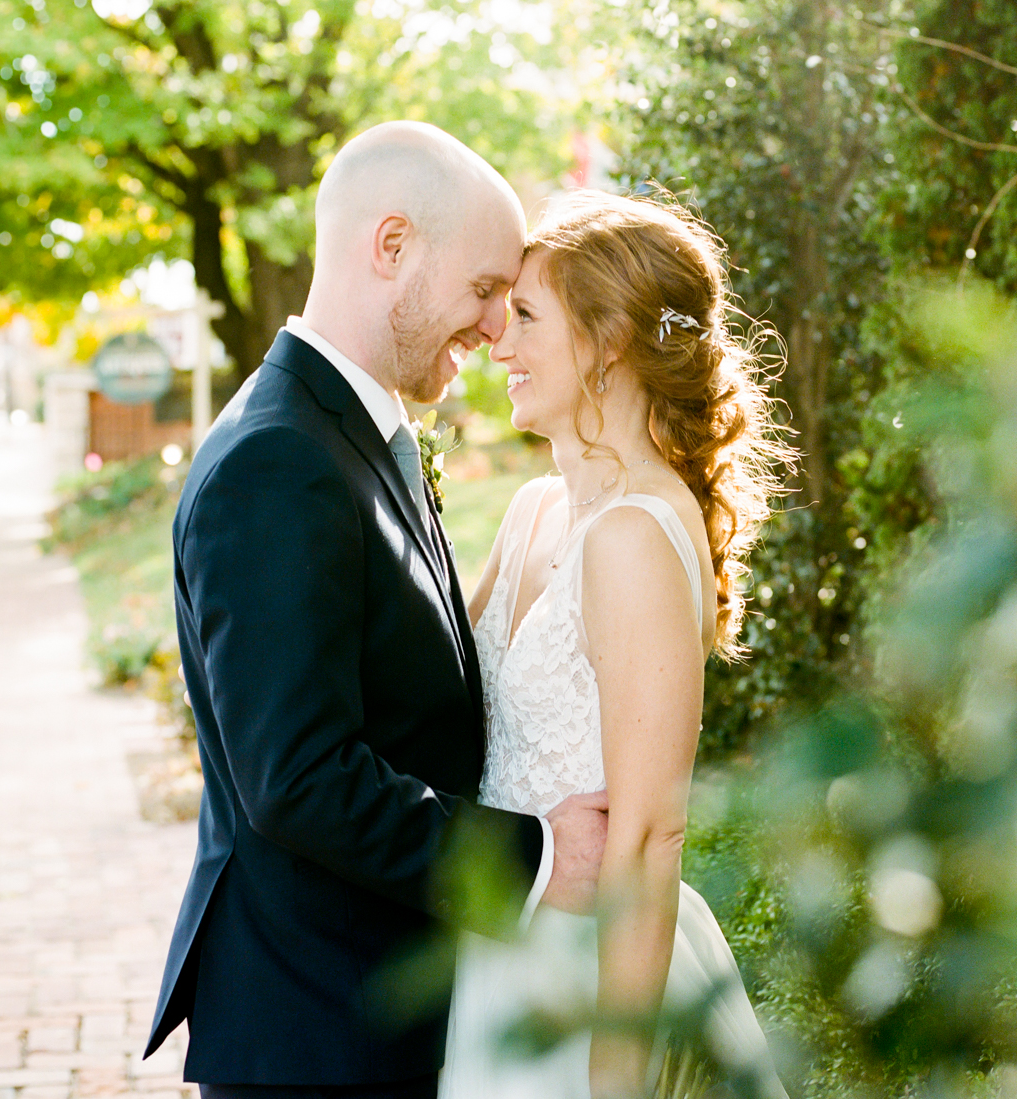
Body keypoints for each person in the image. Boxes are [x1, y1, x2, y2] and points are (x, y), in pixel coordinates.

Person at [143, 121, 610, 1099]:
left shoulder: (352, 429)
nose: (495, 327)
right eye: (485, 289)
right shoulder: (278, 463)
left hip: (372, 1013)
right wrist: (533, 857)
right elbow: (300, 774)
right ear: (391, 246)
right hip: (316, 1036)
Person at [440, 191, 794, 1099]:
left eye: (524, 316)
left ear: (608, 341)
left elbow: (647, 833)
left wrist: (616, 1069)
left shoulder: (635, 535)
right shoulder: (533, 512)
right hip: (500, 951)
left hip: (591, 975)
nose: (497, 340)